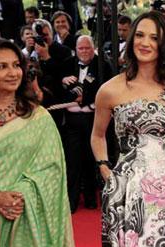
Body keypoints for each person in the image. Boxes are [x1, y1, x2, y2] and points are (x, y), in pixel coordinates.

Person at [91, 11, 165, 247]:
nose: (145, 43)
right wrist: (107, 171)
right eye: (139, 35)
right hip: (128, 192)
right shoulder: (110, 89)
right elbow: (97, 135)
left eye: (154, 38)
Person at [0, 38, 76, 247]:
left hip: (22, 212)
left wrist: (22, 195)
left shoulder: (39, 118)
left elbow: (52, 171)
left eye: (16, 65)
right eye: (1, 67)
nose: (13, 73)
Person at [61, 35, 113, 213]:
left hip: (93, 119)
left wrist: (86, 99)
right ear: (76, 49)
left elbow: (106, 89)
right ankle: (71, 201)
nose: (84, 52)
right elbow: (57, 87)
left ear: (94, 49)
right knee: (73, 160)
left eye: (87, 48)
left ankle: (91, 198)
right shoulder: (67, 63)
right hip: (72, 120)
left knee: (92, 158)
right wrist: (63, 82)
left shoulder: (103, 65)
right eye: (81, 48)